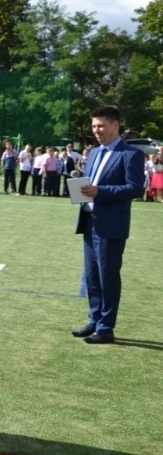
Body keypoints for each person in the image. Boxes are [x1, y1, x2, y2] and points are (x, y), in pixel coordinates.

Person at [71, 106, 144, 344]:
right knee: (92, 277)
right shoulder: (93, 153)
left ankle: (105, 328)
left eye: (101, 125)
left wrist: (100, 191)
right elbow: (91, 183)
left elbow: (135, 188)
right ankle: (94, 320)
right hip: (89, 222)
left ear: (115, 125)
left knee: (107, 278)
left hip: (111, 225)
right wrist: (79, 189)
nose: (96, 130)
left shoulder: (130, 154)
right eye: (94, 126)